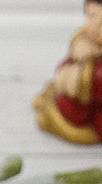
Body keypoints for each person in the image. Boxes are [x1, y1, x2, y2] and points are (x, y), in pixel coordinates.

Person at [34, 0, 102, 143]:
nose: (95, 28)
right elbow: (67, 64)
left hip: (94, 106)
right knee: (68, 106)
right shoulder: (85, 45)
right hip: (78, 99)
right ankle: (50, 107)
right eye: (91, 16)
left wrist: (80, 79)